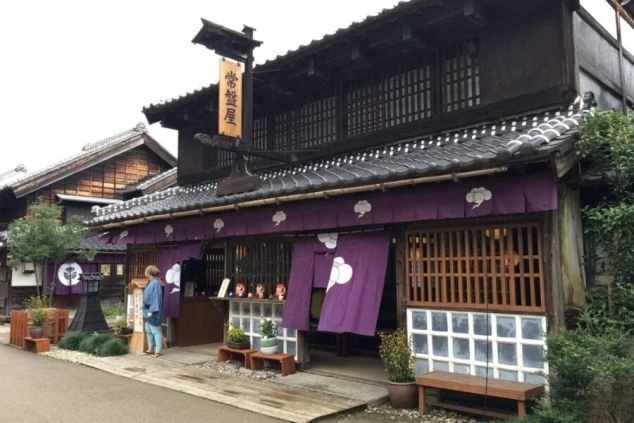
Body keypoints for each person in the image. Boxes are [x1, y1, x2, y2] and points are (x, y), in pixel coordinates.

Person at [143, 265, 163, 357]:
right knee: (148, 330)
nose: (144, 272)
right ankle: (151, 348)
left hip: (153, 309)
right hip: (146, 309)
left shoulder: (155, 283)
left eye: (145, 271)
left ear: (149, 272)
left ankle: (158, 350)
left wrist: (152, 310)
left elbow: (156, 297)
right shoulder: (150, 282)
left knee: (155, 330)